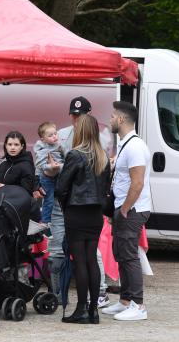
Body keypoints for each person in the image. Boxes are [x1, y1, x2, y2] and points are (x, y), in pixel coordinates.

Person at [49, 96, 111, 309]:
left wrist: (67, 206)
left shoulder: (75, 154)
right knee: (91, 259)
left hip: (76, 212)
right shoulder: (102, 156)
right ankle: (93, 309)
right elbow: (104, 188)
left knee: (81, 261)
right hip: (95, 214)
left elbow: (60, 188)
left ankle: (81, 308)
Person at [101, 101, 152, 321]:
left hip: (131, 209)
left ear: (121, 119)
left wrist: (124, 208)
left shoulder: (135, 146)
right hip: (124, 208)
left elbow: (137, 183)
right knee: (121, 254)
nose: (110, 119)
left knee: (129, 256)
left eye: (113, 116)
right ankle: (125, 301)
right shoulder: (125, 144)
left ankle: (138, 306)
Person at [33, 121, 64, 225]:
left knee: (60, 199)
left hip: (58, 175)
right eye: (50, 135)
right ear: (43, 139)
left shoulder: (58, 144)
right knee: (49, 200)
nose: (54, 136)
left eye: (55, 133)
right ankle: (45, 221)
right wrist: (50, 166)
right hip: (47, 178)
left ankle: (58, 221)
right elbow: (40, 165)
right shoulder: (42, 149)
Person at [0, 131, 35, 195]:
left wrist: (5, 188)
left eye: (16, 144)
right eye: (10, 144)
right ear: (6, 146)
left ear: (22, 146)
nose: (12, 147)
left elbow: (27, 191)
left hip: (17, 204)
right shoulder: (2, 165)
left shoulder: (27, 166)